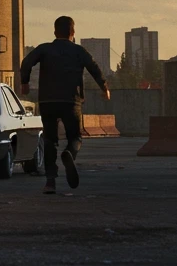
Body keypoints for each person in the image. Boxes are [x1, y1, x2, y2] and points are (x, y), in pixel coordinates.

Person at [20, 15, 111, 194]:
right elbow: (94, 68)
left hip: (47, 100)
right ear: (73, 32)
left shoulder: (44, 49)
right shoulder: (79, 51)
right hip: (71, 100)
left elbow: (27, 62)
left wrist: (25, 82)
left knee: (50, 140)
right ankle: (69, 153)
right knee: (75, 137)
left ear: (55, 32)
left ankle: (50, 182)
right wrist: (104, 87)